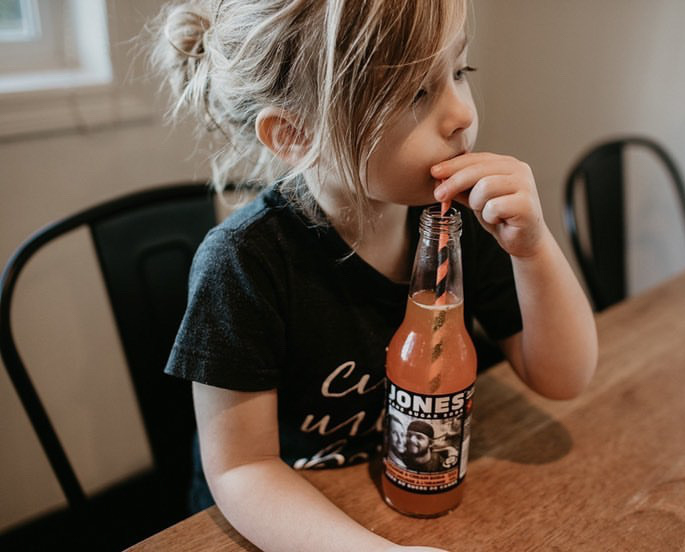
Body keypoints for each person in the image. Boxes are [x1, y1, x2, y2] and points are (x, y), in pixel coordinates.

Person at [150, 1, 597, 550]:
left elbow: (563, 377)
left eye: (459, 71)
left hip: (412, 492)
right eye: (415, 93)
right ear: (295, 134)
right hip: (287, 521)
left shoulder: (455, 224)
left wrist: (534, 249)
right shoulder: (244, 263)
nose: (461, 114)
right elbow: (243, 470)